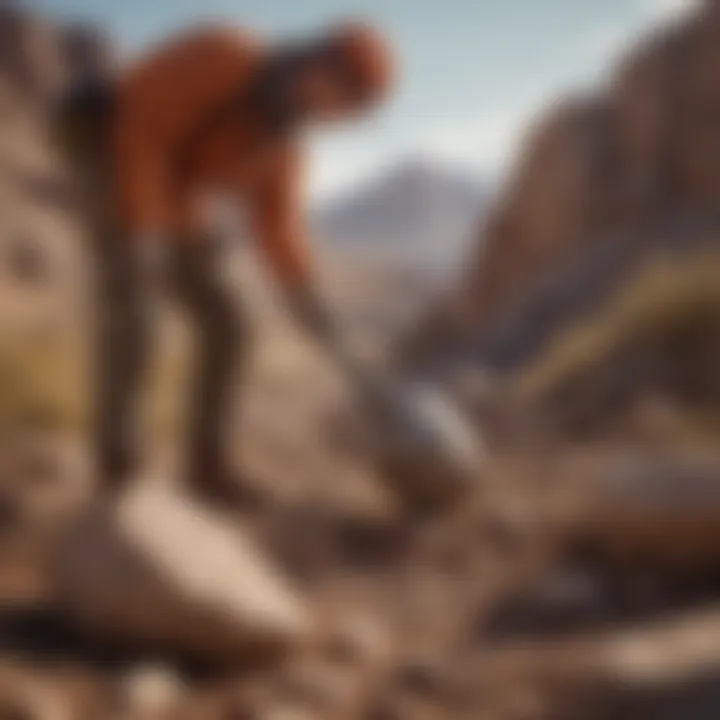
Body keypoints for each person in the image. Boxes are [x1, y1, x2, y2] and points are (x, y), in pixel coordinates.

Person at [57, 21, 395, 506]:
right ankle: (119, 478)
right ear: (320, 64)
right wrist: (148, 241)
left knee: (230, 324)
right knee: (134, 319)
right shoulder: (224, 56)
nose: (338, 115)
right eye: (345, 98)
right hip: (111, 159)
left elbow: (279, 229)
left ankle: (206, 468)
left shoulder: (283, 146)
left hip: (175, 199)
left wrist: (309, 305)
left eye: (353, 113)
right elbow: (143, 135)